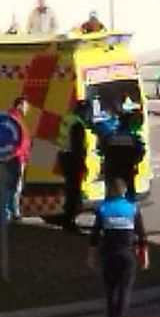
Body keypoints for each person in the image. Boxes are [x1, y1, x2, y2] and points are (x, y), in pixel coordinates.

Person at [88, 177, 149, 317]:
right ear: (124, 191)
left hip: (109, 254)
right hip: (127, 254)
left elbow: (95, 235)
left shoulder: (103, 209)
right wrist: (144, 255)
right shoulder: (132, 208)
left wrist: (91, 256)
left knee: (110, 290)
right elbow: (142, 235)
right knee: (124, 290)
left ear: (110, 191)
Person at [56, 99, 91, 232]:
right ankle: (69, 221)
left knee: (70, 190)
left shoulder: (68, 118)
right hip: (72, 160)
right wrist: (82, 165)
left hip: (63, 157)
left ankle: (67, 219)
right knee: (74, 192)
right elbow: (78, 148)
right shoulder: (78, 125)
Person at [0, 96, 33, 223]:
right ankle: (10, 212)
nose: (27, 108)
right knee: (13, 186)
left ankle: (11, 212)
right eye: (26, 106)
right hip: (15, 157)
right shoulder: (14, 118)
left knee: (13, 186)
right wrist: (17, 154)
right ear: (20, 105)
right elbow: (15, 140)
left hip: (17, 157)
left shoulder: (15, 118)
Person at [99, 105, 147, 193]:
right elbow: (141, 152)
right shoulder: (133, 138)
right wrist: (135, 161)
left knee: (111, 191)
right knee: (129, 191)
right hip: (127, 169)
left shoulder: (110, 136)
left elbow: (101, 149)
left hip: (111, 169)